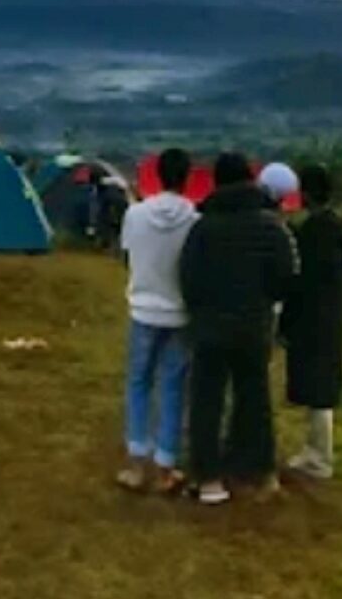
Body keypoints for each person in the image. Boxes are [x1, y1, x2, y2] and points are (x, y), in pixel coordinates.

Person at [176, 152, 297, 506]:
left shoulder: (203, 227)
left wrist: (201, 313)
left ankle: (209, 477)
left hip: (211, 328)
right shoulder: (272, 226)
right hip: (253, 328)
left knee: (206, 401)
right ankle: (256, 470)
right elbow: (284, 281)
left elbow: (189, 280)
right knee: (254, 398)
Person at [116, 147, 200, 495]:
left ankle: (137, 465)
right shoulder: (195, 219)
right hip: (180, 314)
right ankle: (166, 468)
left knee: (138, 383)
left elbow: (126, 256)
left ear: (158, 175)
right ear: (187, 178)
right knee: (173, 387)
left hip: (143, 310)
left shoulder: (135, 214)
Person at [280, 164, 342, 481]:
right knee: (320, 386)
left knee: (319, 390)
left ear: (306, 194)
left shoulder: (314, 233)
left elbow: (301, 281)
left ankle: (321, 457)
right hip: (331, 315)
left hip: (314, 318)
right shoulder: (336, 228)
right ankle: (313, 450)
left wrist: (287, 322)